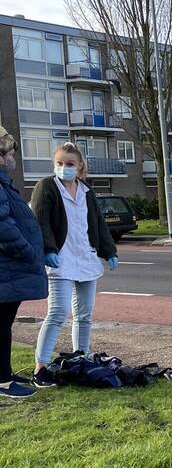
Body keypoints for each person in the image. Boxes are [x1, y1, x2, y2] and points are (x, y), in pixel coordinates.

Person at [30, 142, 118, 386]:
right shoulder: (47, 186)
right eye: (59, 163)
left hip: (85, 257)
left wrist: (109, 250)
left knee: (84, 315)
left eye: (69, 164)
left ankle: (81, 357)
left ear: (79, 167)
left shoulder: (86, 190)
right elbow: (40, 220)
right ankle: (40, 368)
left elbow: (97, 222)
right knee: (57, 313)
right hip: (60, 259)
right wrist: (48, 249)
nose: (64, 168)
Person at [0, 126, 48, 399]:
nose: (13, 157)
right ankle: (3, 381)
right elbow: (3, 226)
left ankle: (3, 373)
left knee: (4, 323)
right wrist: (27, 251)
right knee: (1, 324)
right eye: (10, 151)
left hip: (8, 268)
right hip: (7, 267)